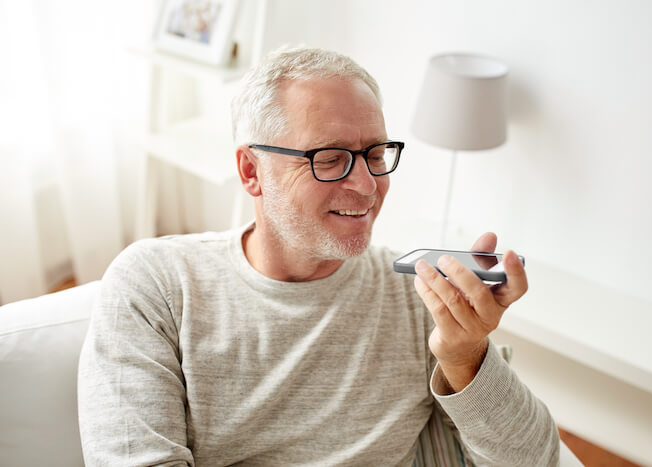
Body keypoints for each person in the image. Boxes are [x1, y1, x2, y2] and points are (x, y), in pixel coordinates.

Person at [78, 46, 560, 466]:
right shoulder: (157, 285)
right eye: (329, 158)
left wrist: (467, 358)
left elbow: (535, 459)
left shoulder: (418, 299)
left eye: (375, 154)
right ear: (252, 171)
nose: (368, 186)